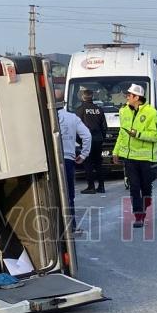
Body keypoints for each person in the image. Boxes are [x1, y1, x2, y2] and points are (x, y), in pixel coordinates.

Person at [112, 83, 157, 228]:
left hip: (145, 158)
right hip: (129, 157)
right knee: (134, 187)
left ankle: (145, 204)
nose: (127, 98)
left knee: (145, 187)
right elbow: (122, 133)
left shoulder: (152, 113)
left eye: (129, 95)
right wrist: (116, 151)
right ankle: (138, 216)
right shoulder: (123, 111)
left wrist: (138, 134)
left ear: (137, 97)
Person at [55, 89, 91, 231]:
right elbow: (87, 136)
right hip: (68, 160)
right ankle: (72, 226)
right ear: (63, 101)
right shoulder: (72, 118)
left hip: (50, 163)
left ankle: (56, 227)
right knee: (69, 194)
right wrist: (83, 155)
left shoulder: (42, 117)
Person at [75, 87, 108, 194]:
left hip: (86, 140)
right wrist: (101, 138)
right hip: (98, 139)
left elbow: (77, 127)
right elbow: (104, 127)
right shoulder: (99, 109)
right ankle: (101, 187)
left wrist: (79, 141)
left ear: (83, 97)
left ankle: (91, 186)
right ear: (92, 97)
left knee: (88, 163)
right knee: (98, 163)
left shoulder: (80, 110)